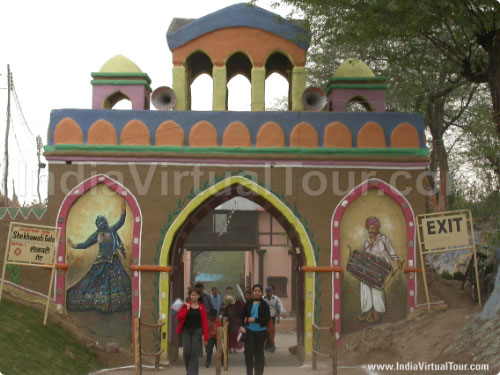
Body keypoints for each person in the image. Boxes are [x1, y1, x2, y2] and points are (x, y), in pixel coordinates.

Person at [66, 201, 131, 313]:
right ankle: (97, 301)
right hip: (101, 261)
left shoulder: (111, 230)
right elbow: (85, 244)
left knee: (115, 281)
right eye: (100, 223)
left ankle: (112, 303)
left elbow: (120, 222)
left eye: (103, 222)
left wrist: (123, 212)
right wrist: (74, 245)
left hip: (112, 260)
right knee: (95, 280)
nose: (103, 224)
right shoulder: (97, 235)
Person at [358, 217, 402, 323]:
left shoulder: (383, 239)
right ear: (367, 229)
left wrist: (396, 260)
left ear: (377, 228)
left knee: (377, 289)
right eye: (369, 228)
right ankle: (370, 314)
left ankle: (377, 314)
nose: (371, 230)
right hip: (368, 268)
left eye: (373, 227)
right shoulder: (367, 241)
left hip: (380, 268)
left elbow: (390, 250)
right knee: (365, 289)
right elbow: (363, 254)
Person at [176, 288, 209, 375]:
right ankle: (189, 371)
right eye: (192, 295)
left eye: (195, 295)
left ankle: (192, 373)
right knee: (186, 351)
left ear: (198, 296)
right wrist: (186, 309)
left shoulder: (202, 307)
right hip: (186, 330)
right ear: (189, 296)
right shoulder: (185, 305)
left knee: (194, 352)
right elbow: (179, 317)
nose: (193, 296)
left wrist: (206, 337)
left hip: (197, 331)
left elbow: (205, 323)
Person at [240, 284, 270, 375]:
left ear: (261, 293)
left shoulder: (265, 305)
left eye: (259, 291)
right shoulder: (248, 303)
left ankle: (259, 372)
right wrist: (241, 326)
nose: (257, 292)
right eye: (255, 291)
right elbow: (242, 316)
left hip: (261, 332)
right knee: (248, 352)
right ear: (252, 292)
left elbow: (266, 319)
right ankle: (249, 372)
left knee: (259, 353)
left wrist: (255, 319)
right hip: (249, 331)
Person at [263, 286, 284, 352]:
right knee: (266, 332)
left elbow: (279, 307)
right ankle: (268, 345)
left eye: (270, 292)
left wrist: (279, 318)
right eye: (267, 292)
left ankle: (271, 345)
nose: (268, 293)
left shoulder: (276, 299)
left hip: (272, 317)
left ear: (272, 292)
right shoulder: (263, 298)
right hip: (264, 318)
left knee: (271, 331)